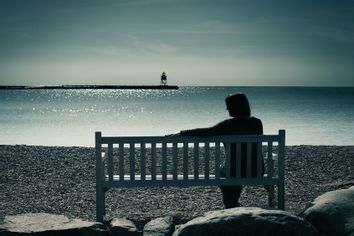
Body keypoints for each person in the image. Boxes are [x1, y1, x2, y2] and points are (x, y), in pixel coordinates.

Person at [178, 93, 263, 208]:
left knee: (223, 171)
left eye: (228, 106)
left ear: (235, 107)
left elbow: (206, 132)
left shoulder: (228, 125)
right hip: (256, 170)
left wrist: (181, 133)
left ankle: (230, 203)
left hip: (234, 171)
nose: (227, 109)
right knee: (235, 168)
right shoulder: (257, 123)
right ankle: (232, 202)